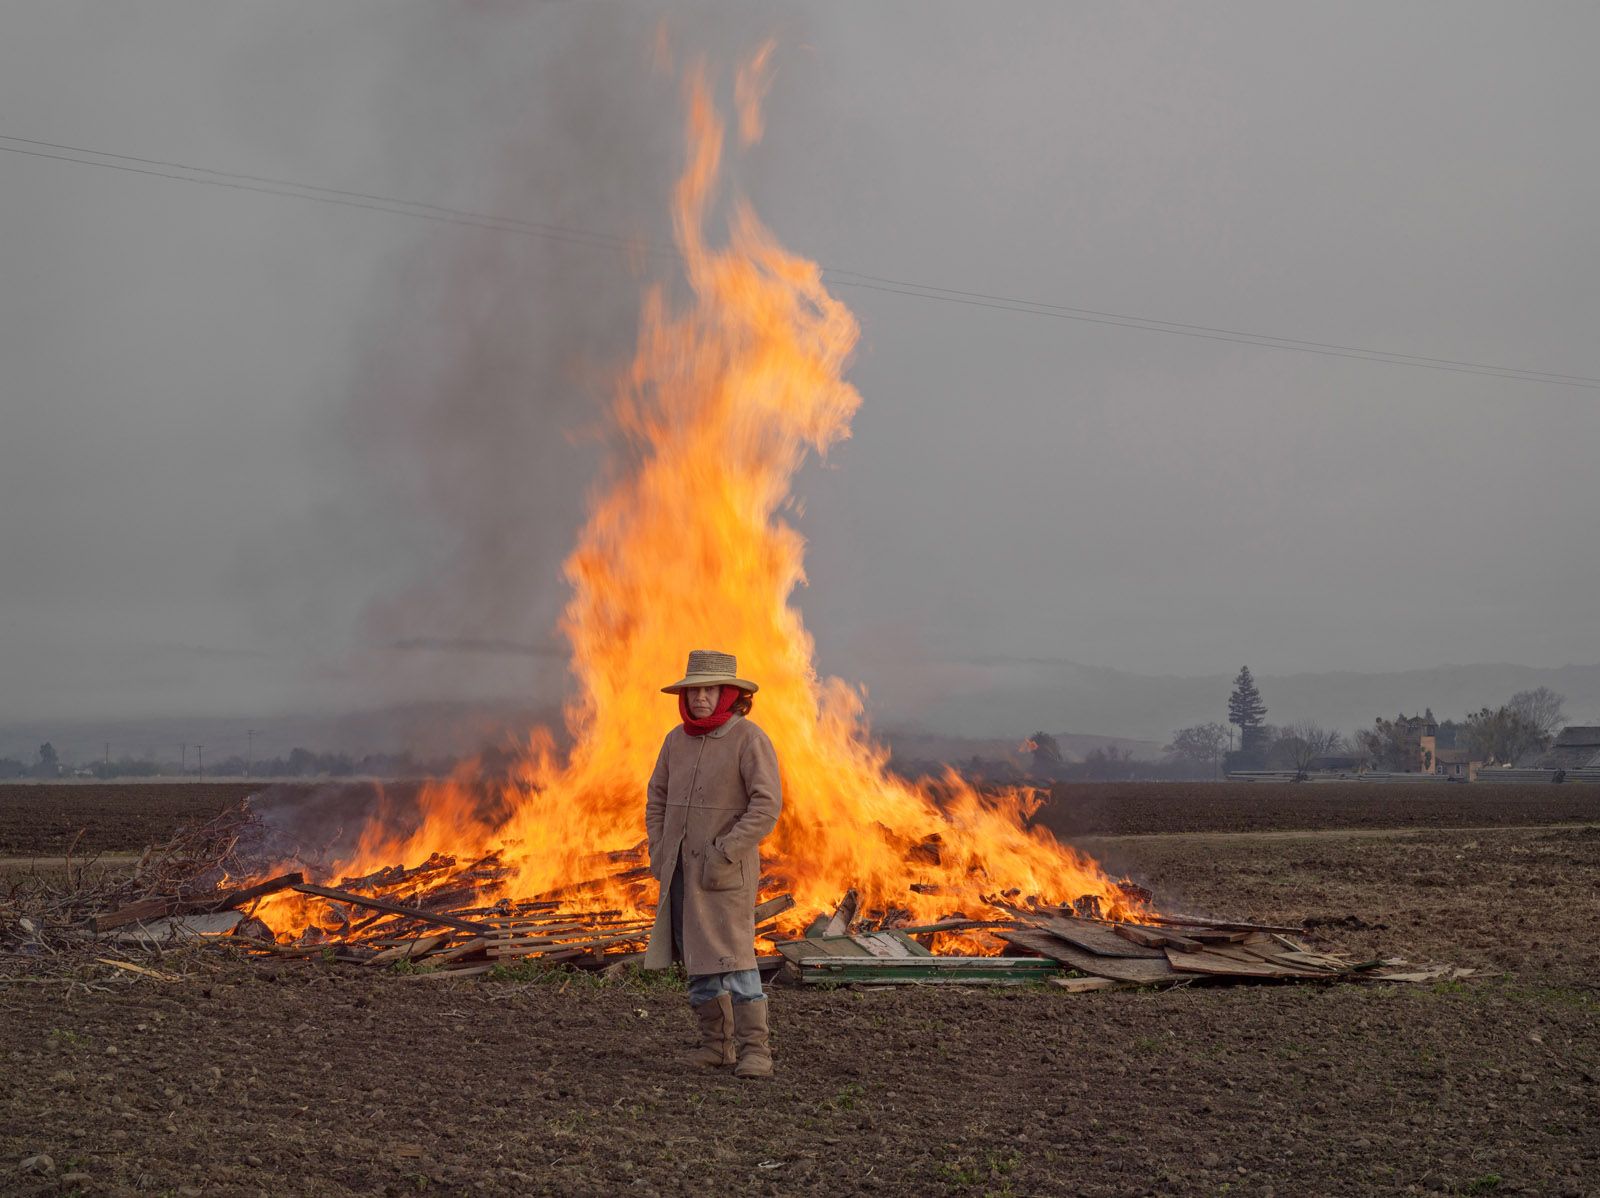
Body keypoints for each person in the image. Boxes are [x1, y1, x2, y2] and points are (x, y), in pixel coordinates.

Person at [642, 649, 782, 1079]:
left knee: (736, 958)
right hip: (681, 872)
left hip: (725, 874)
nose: (700, 697)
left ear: (729, 694)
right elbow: (657, 800)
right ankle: (716, 1046)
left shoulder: (750, 739)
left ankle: (755, 1051)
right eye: (694, 690)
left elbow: (766, 805)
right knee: (696, 958)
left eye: (709, 689)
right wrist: (660, 850)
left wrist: (726, 849)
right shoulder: (674, 741)